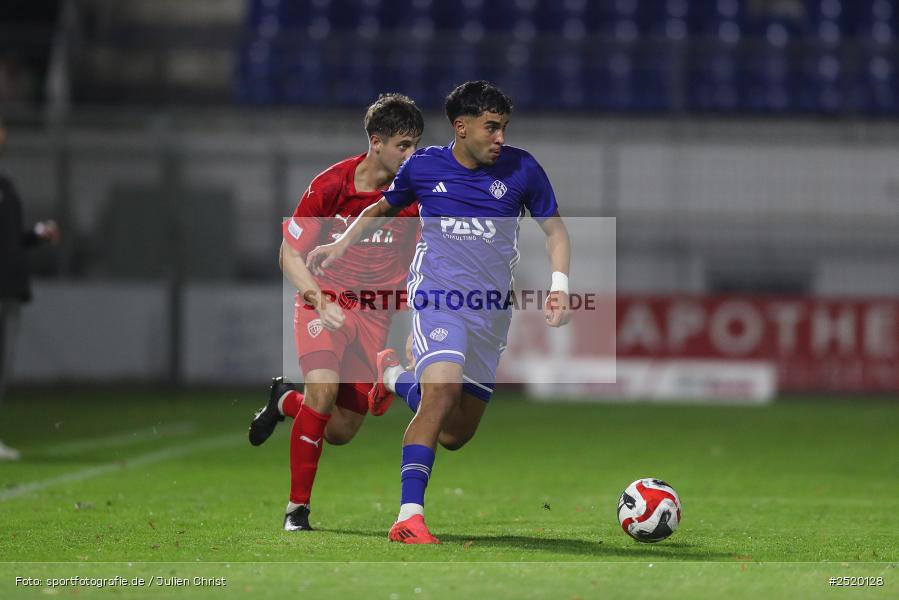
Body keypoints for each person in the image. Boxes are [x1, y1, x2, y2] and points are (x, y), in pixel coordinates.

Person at [306, 81, 572, 544]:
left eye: (504, 127)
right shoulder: (425, 166)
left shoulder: (523, 168)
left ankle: (391, 375)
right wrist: (339, 242)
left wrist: (560, 285)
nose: (500, 137)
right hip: (437, 298)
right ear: (461, 127)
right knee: (443, 391)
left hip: (490, 312)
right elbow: (380, 209)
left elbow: (556, 233)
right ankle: (409, 517)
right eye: (491, 127)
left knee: (455, 433)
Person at [246, 93, 424, 531]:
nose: (412, 154)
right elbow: (289, 253)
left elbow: (425, 264)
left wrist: (414, 326)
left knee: (341, 430)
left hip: (375, 315)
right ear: (376, 142)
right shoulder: (330, 186)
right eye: (404, 145)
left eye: (416, 144)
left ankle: (286, 400)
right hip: (325, 302)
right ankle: (296, 511)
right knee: (323, 393)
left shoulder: (414, 198)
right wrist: (318, 300)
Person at [0, 116, 59, 460]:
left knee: (2, 370)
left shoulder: (7, 186)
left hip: (10, 290)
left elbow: (12, 240)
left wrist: (37, 234)